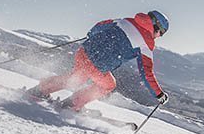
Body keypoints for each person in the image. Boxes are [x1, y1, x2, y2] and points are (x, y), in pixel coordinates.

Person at [28, 10, 170, 112]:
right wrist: (158, 94)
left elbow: (101, 25)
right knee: (108, 85)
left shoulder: (126, 20)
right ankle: (72, 104)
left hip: (84, 51)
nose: (159, 36)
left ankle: (39, 90)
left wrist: (92, 36)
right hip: (97, 65)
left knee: (76, 78)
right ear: (155, 26)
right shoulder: (146, 44)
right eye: (161, 33)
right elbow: (146, 73)